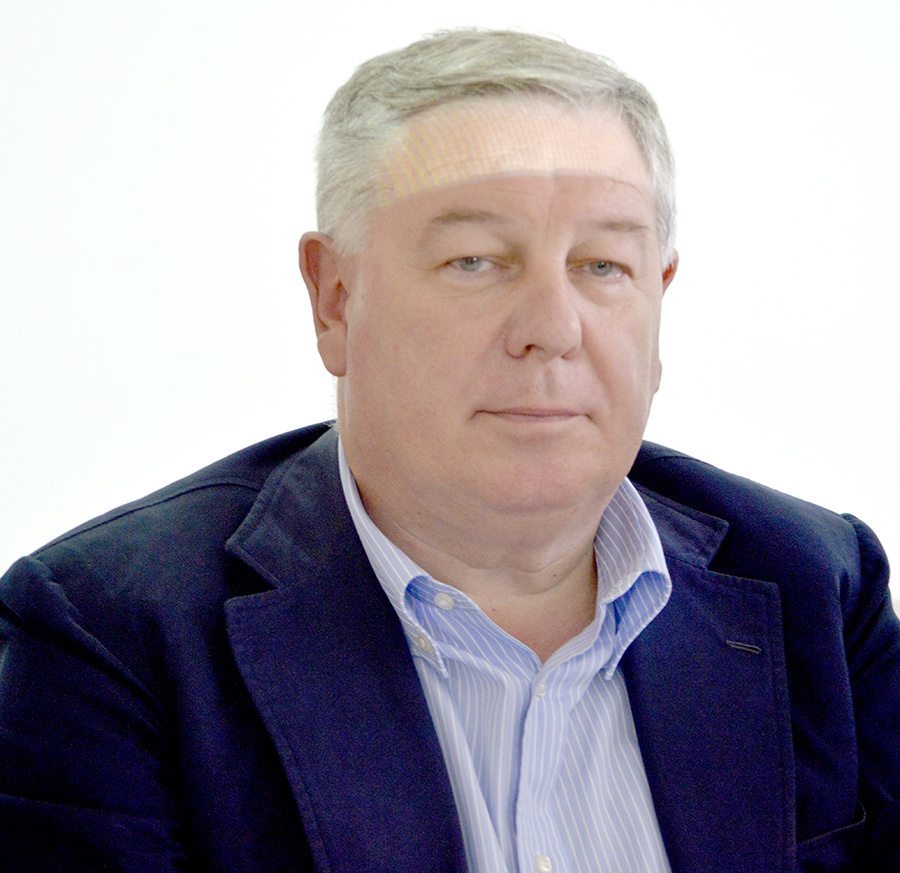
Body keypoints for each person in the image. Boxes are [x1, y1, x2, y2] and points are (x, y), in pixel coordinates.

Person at [0, 28, 898, 873]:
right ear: (335, 298)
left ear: (659, 297)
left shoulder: (817, 585)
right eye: (476, 260)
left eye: (602, 266)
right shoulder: (109, 635)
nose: (553, 327)